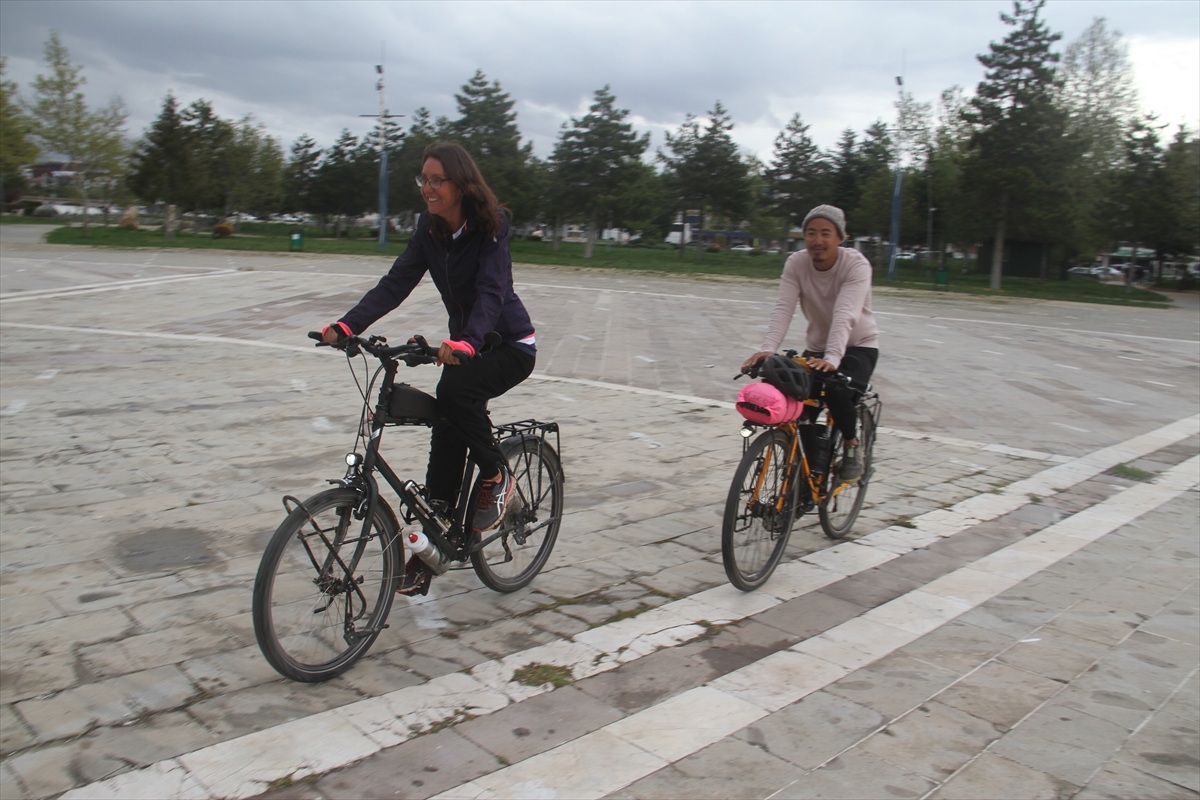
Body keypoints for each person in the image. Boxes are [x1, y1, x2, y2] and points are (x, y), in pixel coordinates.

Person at [321, 142, 536, 592]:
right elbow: (398, 280)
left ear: (461, 183)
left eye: (437, 179)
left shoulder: (490, 226)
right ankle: (435, 541)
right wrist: (347, 324)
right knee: (446, 415)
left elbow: (492, 291)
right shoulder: (430, 228)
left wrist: (467, 342)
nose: (428, 187)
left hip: (509, 344)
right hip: (466, 345)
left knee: (458, 396)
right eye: (424, 179)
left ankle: (497, 475)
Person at [742, 204, 879, 481]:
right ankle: (810, 475)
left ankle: (852, 447)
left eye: (826, 233)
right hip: (818, 348)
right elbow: (783, 308)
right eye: (812, 233)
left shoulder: (856, 265)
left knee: (837, 389)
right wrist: (767, 349)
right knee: (798, 405)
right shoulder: (797, 262)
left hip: (857, 345)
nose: (818, 240)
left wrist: (832, 358)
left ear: (841, 237)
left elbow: (845, 314)